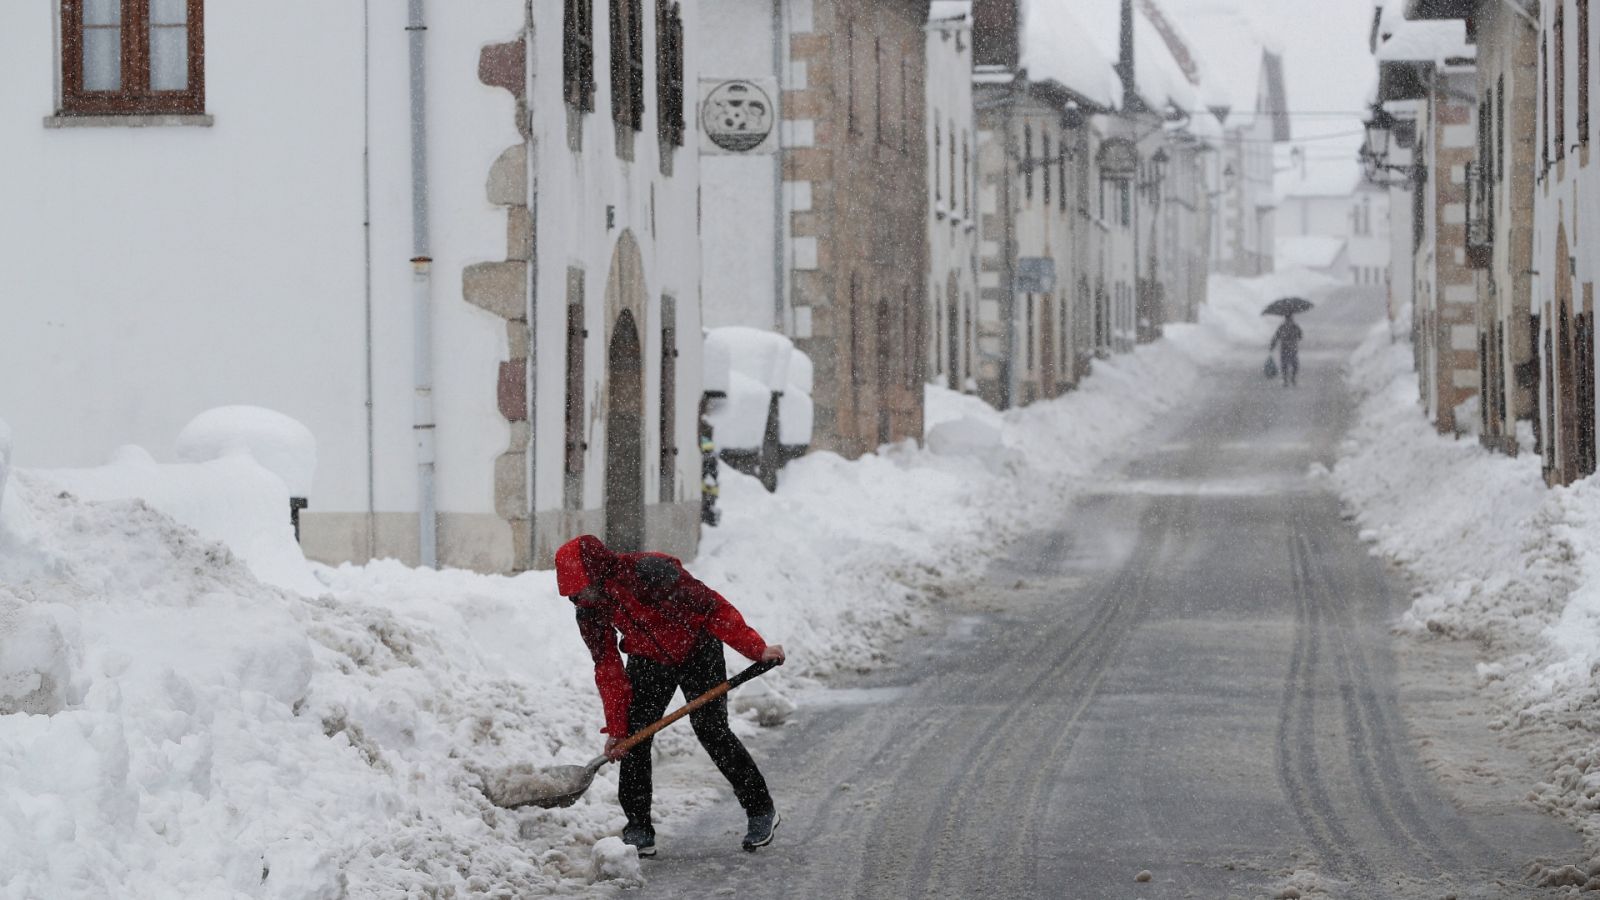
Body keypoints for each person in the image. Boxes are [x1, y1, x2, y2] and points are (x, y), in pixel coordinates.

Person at [555, 534, 786, 857]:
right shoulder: (589, 609)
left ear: (599, 572)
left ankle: (760, 810)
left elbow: (713, 608)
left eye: (581, 589)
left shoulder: (650, 572)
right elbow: (608, 668)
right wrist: (617, 729)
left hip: (697, 649)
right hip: (649, 659)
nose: (578, 599)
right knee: (634, 738)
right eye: (572, 595)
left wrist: (755, 648)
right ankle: (638, 828)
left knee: (712, 730)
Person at [1270, 313, 1303, 387]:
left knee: (1285, 365)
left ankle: (1286, 380)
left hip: (1285, 349)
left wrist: (1272, 345)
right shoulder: (1294, 326)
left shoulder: (1282, 326)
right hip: (1292, 349)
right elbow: (1300, 336)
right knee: (1294, 365)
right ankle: (1292, 378)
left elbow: (1276, 337)